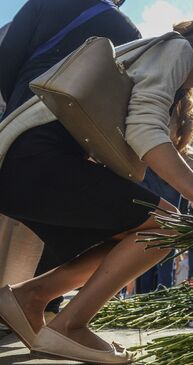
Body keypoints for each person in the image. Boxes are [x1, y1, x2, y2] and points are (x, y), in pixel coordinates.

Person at [0, 17, 193, 364]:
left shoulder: (173, 77)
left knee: (139, 235)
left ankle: (30, 298)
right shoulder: (176, 49)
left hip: (28, 166)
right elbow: (144, 132)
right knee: (166, 224)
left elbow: (152, 136)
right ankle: (68, 325)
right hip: (37, 159)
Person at [0, 0, 142, 321]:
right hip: (66, 140)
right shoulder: (125, 30)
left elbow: (6, 58)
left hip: (14, 123)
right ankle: (37, 306)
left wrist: (19, 103)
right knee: (52, 226)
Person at [135, 92, 193, 294]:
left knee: (165, 259)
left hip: (169, 199)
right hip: (148, 185)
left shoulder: (183, 150)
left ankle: (157, 299)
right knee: (142, 252)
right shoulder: (161, 94)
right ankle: (142, 301)